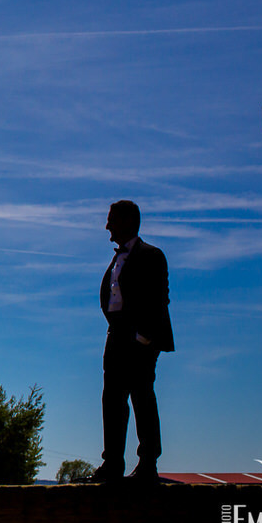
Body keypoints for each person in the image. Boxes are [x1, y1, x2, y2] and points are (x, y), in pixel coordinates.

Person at [93, 200, 174, 486]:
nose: (107, 226)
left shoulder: (152, 255)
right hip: (116, 337)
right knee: (112, 399)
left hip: (139, 340)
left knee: (141, 397)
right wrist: (115, 330)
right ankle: (112, 463)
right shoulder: (117, 259)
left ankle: (148, 463)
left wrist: (144, 338)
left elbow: (159, 298)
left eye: (111, 220)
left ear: (128, 221)